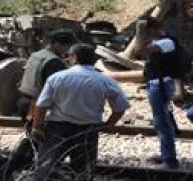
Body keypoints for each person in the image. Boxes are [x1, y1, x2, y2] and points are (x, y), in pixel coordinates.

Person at [30, 43, 131, 180]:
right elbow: (120, 107)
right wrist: (109, 124)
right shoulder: (106, 81)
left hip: (57, 129)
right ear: (93, 60)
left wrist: (37, 127)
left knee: (46, 168)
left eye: (69, 56)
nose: (67, 59)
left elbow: (42, 105)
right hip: (87, 130)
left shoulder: (57, 78)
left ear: (74, 57)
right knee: (83, 170)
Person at [1, 29, 76, 180]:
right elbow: (53, 89)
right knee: (42, 140)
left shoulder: (37, 55)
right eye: (67, 47)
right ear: (57, 44)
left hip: (25, 101)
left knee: (33, 140)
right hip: (38, 105)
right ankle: (13, 169)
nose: (68, 51)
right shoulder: (53, 62)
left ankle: (12, 169)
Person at [133, 18, 189, 170]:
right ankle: (166, 154)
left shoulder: (167, 42)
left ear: (150, 30)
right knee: (163, 120)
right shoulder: (160, 42)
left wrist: (139, 33)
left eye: (146, 32)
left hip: (161, 85)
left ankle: (170, 161)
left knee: (162, 122)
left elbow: (138, 52)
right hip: (157, 84)